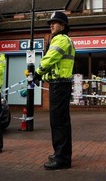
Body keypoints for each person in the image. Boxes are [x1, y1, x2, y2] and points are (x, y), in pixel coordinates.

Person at [33, 11, 75, 170]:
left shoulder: (61, 39)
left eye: (55, 23)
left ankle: (62, 159)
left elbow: (50, 59)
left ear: (63, 26)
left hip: (60, 85)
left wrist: (38, 73)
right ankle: (61, 153)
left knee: (58, 122)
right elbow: (55, 63)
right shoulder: (62, 39)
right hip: (58, 84)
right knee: (60, 121)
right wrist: (43, 77)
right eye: (50, 23)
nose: (51, 25)